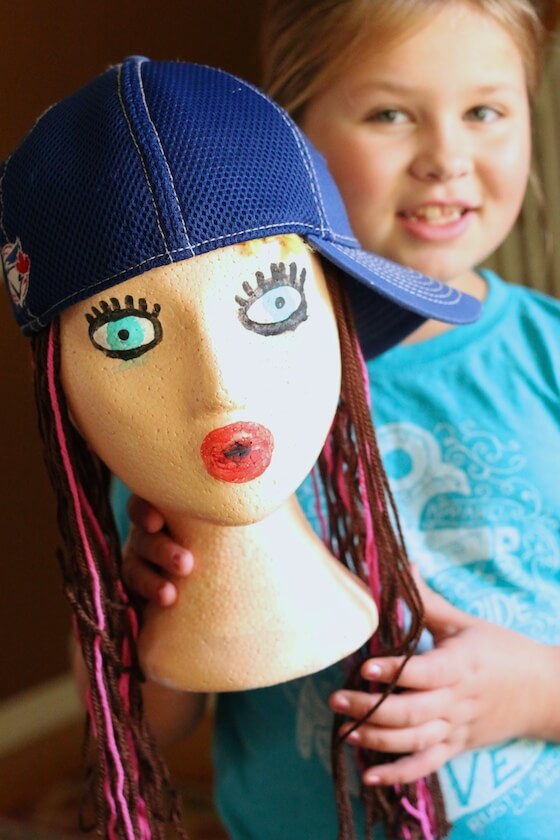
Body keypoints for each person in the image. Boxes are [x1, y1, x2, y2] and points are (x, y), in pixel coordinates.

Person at [0, 56, 480, 839]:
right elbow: (144, 724)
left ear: (333, 308)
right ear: (63, 392)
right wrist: (134, 621)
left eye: (275, 302)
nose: (221, 388)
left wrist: (531, 691)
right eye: (129, 335)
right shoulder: (150, 520)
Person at [119, 1, 560, 838]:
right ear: (292, 139)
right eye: (391, 113)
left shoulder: (549, 358)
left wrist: (535, 690)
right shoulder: (212, 396)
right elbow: (150, 718)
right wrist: (151, 603)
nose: (448, 159)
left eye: (485, 112)